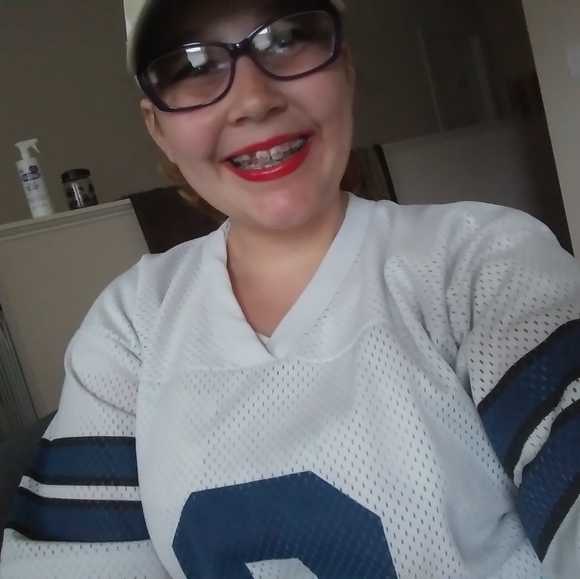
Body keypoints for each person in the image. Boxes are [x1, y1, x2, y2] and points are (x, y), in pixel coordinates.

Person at [1, 0, 579, 577]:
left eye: (286, 38)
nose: (254, 100)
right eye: (193, 65)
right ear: (158, 128)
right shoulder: (131, 324)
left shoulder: (481, 260)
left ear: (345, 67)